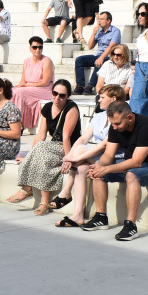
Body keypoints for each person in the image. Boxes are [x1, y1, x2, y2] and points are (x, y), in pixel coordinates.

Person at [83, 100, 148, 240]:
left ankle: (130, 226)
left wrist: (106, 169)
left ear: (129, 117)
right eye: (112, 123)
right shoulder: (116, 127)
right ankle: (101, 217)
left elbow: (137, 162)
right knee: (98, 171)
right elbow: (108, 154)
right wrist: (100, 167)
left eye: (118, 123)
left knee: (131, 175)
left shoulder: (147, 126)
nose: (114, 127)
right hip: (134, 163)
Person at [50, 85, 127, 228]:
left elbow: (105, 145)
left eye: (102, 98)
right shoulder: (98, 116)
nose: (99, 101)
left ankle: (67, 191)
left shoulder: (120, 116)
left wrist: (75, 157)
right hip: (98, 156)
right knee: (82, 167)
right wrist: (70, 157)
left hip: (115, 158)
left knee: (80, 155)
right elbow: (83, 138)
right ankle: (78, 214)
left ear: (114, 99)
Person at [6, 79, 79, 215]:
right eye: (55, 93)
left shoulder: (71, 108)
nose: (57, 98)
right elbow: (41, 135)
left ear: (67, 96)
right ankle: (28, 189)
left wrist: (68, 158)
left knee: (44, 158)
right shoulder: (47, 107)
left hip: (70, 147)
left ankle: (41, 200)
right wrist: (30, 156)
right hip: (52, 145)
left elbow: (66, 136)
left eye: (62, 95)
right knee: (40, 149)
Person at [11, 36, 55, 133]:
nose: (38, 49)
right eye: (35, 47)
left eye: (40, 47)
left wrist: (25, 86)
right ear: (30, 48)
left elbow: (45, 83)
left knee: (19, 92)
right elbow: (23, 81)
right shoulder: (27, 61)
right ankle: (11, 122)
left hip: (44, 89)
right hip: (29, 88)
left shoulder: (47, 61)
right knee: (11, 91)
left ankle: (20, 124)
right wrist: (21, 85)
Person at [73, 11, 120, 95]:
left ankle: (90, 86)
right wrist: (93, 33)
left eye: (101, 19)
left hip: (110, 56)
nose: (99, 21)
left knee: (101, 62)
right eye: (98, 19)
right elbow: (90, 46)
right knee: (79, 60)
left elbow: (112, 47)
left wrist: (101, 57)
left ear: (108, 21)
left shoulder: (115, 31)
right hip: (98, 55)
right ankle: (80, 86)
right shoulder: (98, 31)